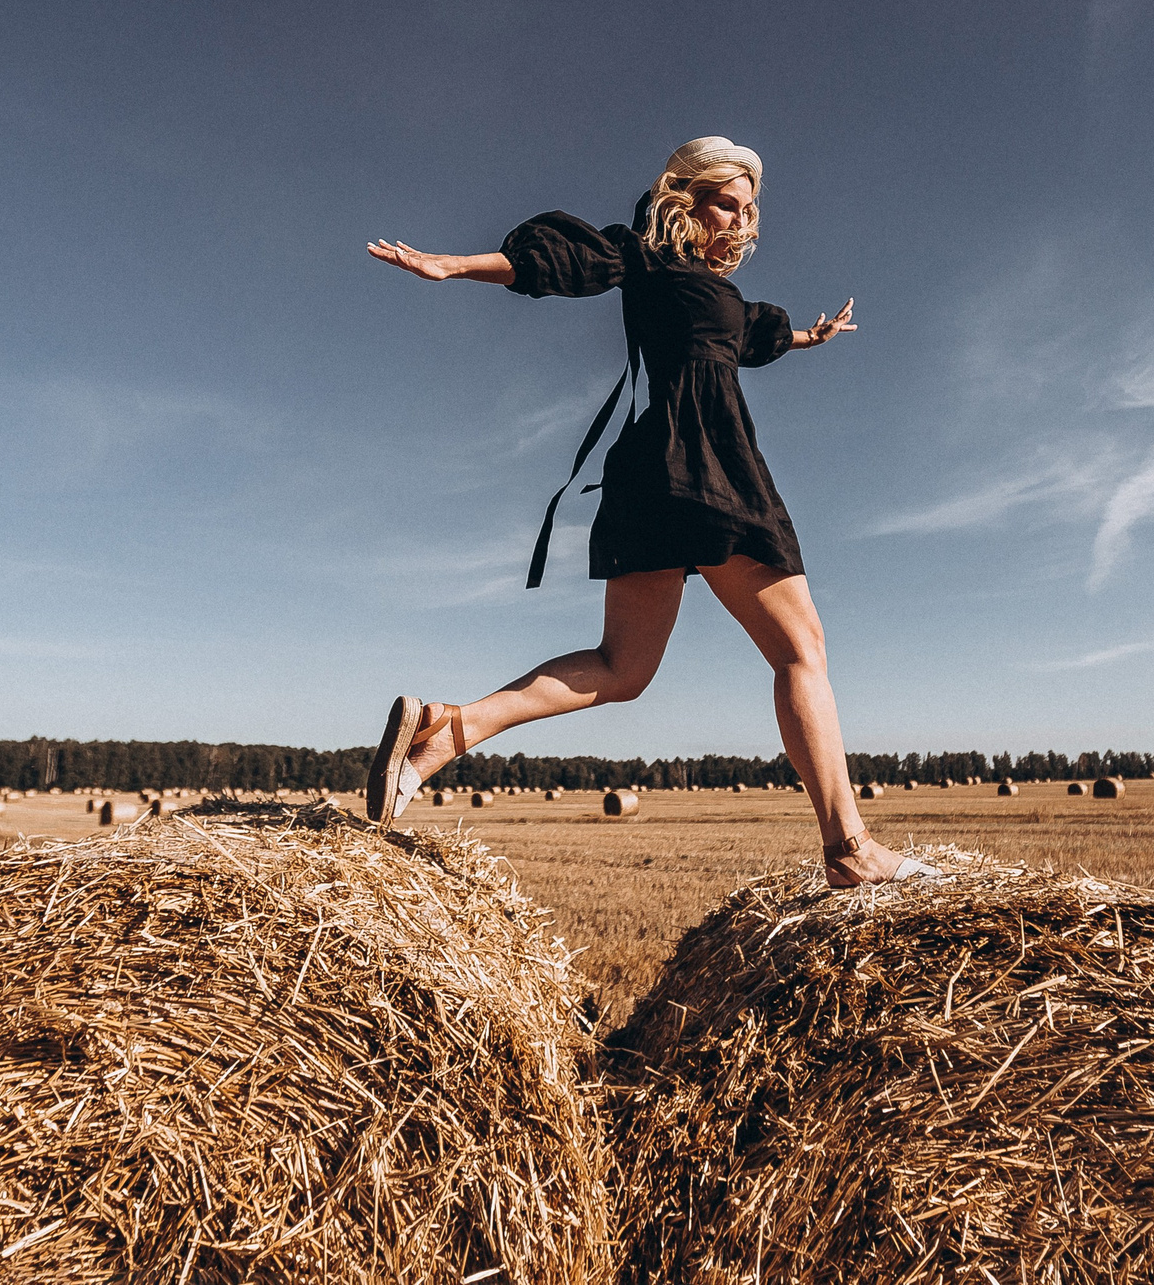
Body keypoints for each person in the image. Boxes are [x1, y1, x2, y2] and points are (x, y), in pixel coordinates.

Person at [363, 136, 937, 888]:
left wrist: (810, 335)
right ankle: (850, 849)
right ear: (684, 197)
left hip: (651, 476)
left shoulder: (709, 290)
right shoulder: (644, 255)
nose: (740, 217)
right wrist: (455, 264)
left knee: (620, 668)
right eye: (726, 200)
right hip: (710, 465)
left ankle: (447, 728)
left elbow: (748, 336)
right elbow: (567, 262)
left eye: (748, 206)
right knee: (802, 650)